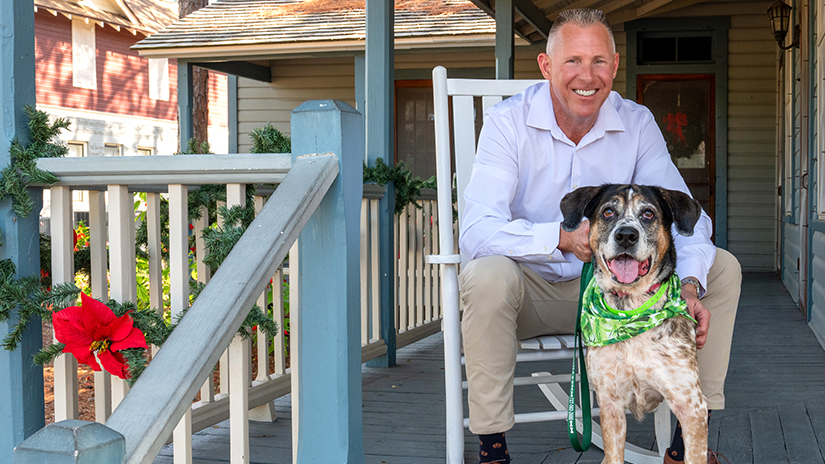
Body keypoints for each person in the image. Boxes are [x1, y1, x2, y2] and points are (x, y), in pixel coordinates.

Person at [458, 8, 741, 464]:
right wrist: (561, 239)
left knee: (720, 267)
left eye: (598, 62)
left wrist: (688, 285)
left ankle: (686, 447)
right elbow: (475, 230)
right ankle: (494, 449)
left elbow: (688, 221)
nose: (586, 76)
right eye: (572, 61)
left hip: (621, 294)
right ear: (547, 67)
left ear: (613, 66)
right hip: (532, 292)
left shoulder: (637, 123)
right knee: (486, 274)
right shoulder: (507, 122)